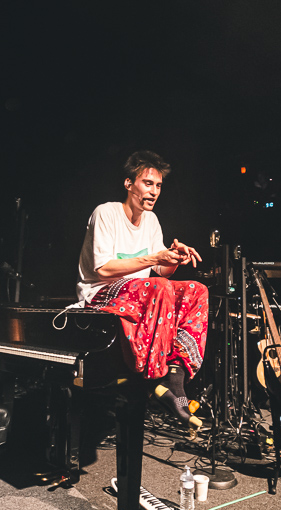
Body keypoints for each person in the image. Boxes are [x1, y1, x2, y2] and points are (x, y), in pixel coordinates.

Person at [76, 151, 207, 429]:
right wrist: (154, 260)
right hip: (101, 293)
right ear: (128, 184)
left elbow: (162, 272)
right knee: (157, 286)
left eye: (158, 186)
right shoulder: (106, 213)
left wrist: (173, 258)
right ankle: (154, 377)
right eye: (148, 183)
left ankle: (174, 374)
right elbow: (104, 269)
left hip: (144, 291)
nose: (154, 191)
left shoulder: (151, 220)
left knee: (196, 290)